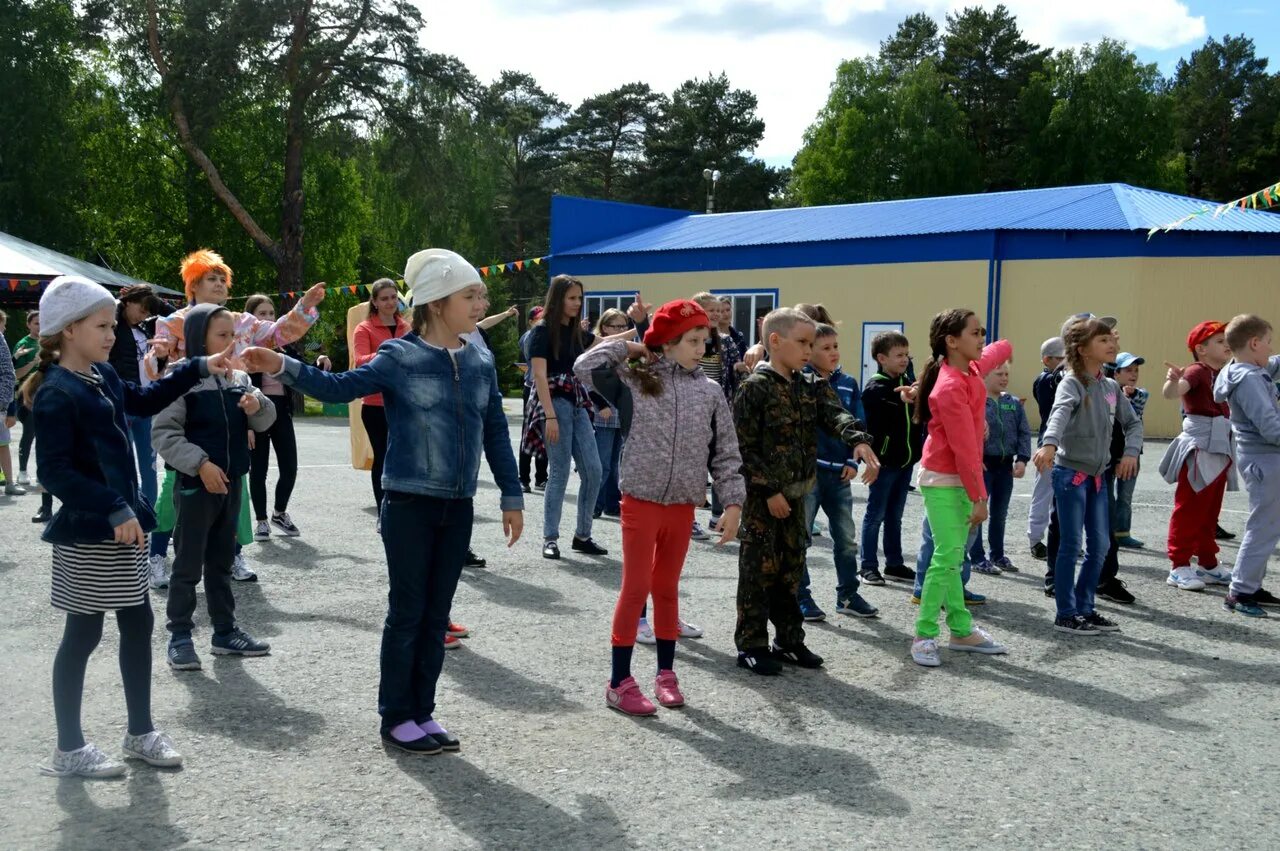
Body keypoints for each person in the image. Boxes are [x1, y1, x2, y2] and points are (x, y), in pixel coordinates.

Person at [241, 248, 524, 755]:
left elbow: (495, 431)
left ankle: (424, 711)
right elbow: (338, 385)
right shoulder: (400, 356)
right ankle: (397, 716)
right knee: (409, 612)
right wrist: (281, 364)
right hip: (409, 503)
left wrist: (510, 492)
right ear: (437, 303)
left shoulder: (480, 357)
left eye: (480, 294)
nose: (482, 301)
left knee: (437, 616)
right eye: (470, 294)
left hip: (456, 506)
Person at [23, 275, 236, 778]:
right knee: (83, 634)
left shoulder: (102, 377)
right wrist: (112, 506)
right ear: (69, 330)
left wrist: (198, 367)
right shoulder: (57, 392)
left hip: (124, 528)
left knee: (138, 623)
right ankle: (68, 748)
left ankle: (140, 733)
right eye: (101, 326)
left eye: (112, 325)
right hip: (90, 530)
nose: (112, 335)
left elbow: (143, 401)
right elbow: (54, 473)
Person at [575, 299, 745, 715]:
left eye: (704, 341)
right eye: (691, 340)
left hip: (682, 504)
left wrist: (734, 502)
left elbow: (726, 452)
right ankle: (619, 682)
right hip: (640, 500)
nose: (701, 348)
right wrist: (632, 344)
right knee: (635, 588)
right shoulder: (635, 380)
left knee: (667, 590)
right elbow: (584, 365)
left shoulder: (709, 392)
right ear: (667, 343)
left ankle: (666, 674)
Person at [148, 249, 326, 585]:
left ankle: (233, 556)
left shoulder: (240, 322)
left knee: (234, 491)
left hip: (231, 414)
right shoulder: (173, 321)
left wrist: (304, 308)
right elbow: (156, 369)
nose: (217, 284)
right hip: (188, 416)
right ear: (192, 286)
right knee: (175, 491)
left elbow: (278, 334)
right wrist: (157, 355)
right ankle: (157, 556)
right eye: (209, 278)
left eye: (221, 279)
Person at [733, 308, 880, 676]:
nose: (808, 350)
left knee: (790, 572)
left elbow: (837, 415)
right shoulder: (755, 387)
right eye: (802, 342)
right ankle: (751, 645)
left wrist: (859, 442)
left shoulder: (810, 385)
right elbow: (742, 448)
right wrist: (767, 491)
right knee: (758, 574)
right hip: (764, 501)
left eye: (812, 343)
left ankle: (789, 641)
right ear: (775, 341)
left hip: (798, 496)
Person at [152, 304, 277, 671]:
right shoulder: (180, 378)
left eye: (233, 336)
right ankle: (179, 635)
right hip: (195, 485)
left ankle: (224, 632)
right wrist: (200, 464)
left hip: (231, 484)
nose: (231, 344)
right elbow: (164, 433)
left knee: (221, 562)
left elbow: (265, 419)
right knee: (188, 564)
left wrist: (258, 405)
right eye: (222, 336)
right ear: (197, 339)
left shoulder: (238, 377)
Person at [909, 309, 1010, 668]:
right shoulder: (950, 386)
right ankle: (924, 634)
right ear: (952, 341)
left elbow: (1002, 347)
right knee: (948, 556)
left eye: (982, 332)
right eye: (974, 333)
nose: (981, 338)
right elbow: (966, 452)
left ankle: (961, 629)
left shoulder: (971, 370)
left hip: (957, 479)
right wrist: (980, 498)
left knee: (951, 557)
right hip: (944, 481)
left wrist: (1002, 343)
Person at [1033, 317, 1141, 635]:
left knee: (1101, 545)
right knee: (1070, 544)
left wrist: (1131, 453)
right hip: (1071, 476)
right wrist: (1050, 444)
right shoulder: (1072, 383)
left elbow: (1132, 423)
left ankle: (1086, 607)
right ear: (1082, 350)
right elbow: (1060, 413)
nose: (1112, 344)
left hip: (1098, 477)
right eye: (1103, 340)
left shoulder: (1109, 387)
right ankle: (1066, 613)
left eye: (1112, 338)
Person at [795, 323, 878, 621]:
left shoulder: (848, 383)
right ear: (808, 351)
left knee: (846, 539)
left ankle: (848, 594)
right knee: (800, 539)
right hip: (809, 477)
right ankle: (801, 597)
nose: (833, 353)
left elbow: (857, 423)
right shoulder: (800, 382)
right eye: (825, 348)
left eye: (835, 347)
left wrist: (852, 462)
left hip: (839, 476)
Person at [528, 275, 610, 560]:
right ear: (558, 298)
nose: (577, 303)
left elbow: (608, 342)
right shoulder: (541, 332)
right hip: (554, 405)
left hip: (577, 403)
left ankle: (582, 536)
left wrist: (639, 328)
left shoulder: (577, 333)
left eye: (579, 298)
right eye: (572, 297)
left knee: (594, 469)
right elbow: (539, 376)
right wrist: (549, 417)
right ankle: (550, 538)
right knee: (560, 471)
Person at [245, 294, 332, 540]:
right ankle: (261, 521)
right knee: (258, 470)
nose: (268, 318)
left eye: (271, 314)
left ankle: (279, 513)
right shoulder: (245, 347)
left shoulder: (285, 346)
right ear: (250, 317)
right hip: (256, 412)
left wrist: (319, 361)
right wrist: (246, 424)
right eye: (262, 314)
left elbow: (303, 370)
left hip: (281, 410)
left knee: (290, 467)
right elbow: (237, 387)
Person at [1158, 321, 1236, 592]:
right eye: (1219, 340)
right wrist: (1171, 381)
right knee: (1190, 507)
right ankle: (1178, 565)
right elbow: (1174, 392)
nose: (1226, 344)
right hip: (1200, 446)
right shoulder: (1197, 370)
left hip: (1220, 445)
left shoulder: (1223, 372)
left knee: (1210, 511)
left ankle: (1208, 564)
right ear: (1200, 349)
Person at [1215, 314, 1280, 616]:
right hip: (1265, 461)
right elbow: (1270, 427)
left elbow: (1272, 365)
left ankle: (1250, 585)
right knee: (1263, 527)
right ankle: (1241, 591)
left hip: (1260, 459)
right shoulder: (1250, 379)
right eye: (1268, 342)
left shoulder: (1239, 369)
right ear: (1254, 344)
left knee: (1267, 525)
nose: (1270, 348)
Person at [860, 330, 920, 584]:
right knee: (875, 515)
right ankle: (867, 566)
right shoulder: (876, 388)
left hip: (905, 462)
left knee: (895, 515)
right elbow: (873, 425)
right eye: (899, 355)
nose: (904, 359)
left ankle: (894, 563)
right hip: (884, 464)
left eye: (906, 354)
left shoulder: (908, 380)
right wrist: (904, 396)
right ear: (881, 358)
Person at [106, 285, 174, 510]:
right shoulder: (113, 326)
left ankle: (148, 519)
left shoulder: (146, 330)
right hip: (121, 404)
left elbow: (171, 315)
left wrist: (163, 359)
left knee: (150, 467)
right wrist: (125, 298)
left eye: (148, 311)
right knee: (122, 464)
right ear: (126, 302)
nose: (143, 315)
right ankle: (122, 514)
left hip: (145, 405)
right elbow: (113, 308)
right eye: (141, 309)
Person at [351, 278, 409, 517]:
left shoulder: (406, 327)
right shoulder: (364, 328)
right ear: (374, 301)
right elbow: (360, 359)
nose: (390, 302)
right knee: (383, 456)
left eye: (394, 297)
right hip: (375, 404)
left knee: (405, 456)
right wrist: (390, 351)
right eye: (384, 298)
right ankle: (383, 510)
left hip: (405, 402)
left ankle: (402, 508)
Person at [968, 362, 1032, 574]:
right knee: (978, 513)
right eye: (999, 374)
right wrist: (974, 457)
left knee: (1000, 514)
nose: (1004, 378)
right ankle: (977, 557)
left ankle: (997, 555)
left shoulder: (1012, 402)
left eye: (1006, 374)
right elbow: (968, 431)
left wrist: (1022, 459)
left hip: (1005, 467)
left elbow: (1024, 432)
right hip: (984, 466)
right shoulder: (977, 402)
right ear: (984, 376)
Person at [1027, 337, 1066, 560]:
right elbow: (1054, 385)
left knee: (1065, 497)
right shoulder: (1045, 380)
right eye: (1060, 359)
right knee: (1043, 494)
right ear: (1047, 359)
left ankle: (1060, 538)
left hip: (1068, 446)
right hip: (1048, 445)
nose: (1065, 363)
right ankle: (1035, 539)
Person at [590, 309, 630, 519]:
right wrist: (599, 404)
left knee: (615, 464)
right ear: (605, 327)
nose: (621, 330)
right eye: (616, 326)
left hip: (619, 412)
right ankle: (594, 503)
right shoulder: (598, 348)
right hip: (603, 412)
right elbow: (586, 378)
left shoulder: (623, 349)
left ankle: (611, 503)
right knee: (602, 463)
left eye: (624, 326)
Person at [1109, 352, 1149, 550]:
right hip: (1110, 452)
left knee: (1125, 496)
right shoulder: (1106, 392)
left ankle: (1123, 533)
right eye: (1128, 370)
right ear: (1115, 374)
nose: (1133, 374)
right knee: (1106, 495)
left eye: (1136, 371)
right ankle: (1106, 531)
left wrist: (1130, 395)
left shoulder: (1140, 394)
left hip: (1132, 454)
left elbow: (1137, 407)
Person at [13, 310, 49, 519]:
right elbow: (16, 373)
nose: (39, 326)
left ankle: (43, 478)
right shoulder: (23, 344)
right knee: (29, 433)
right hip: (26, 394)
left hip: (45, 393)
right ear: (29, 325)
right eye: (36, 323)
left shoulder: (49, 342)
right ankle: (23, 471)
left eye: (41, 323)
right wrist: (33, 362)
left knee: (44, 437)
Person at [518, 306, 549, 493]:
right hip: (531, 389)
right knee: (528, 432)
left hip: (545, 388)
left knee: (544, 433)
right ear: (531, 321)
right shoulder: (529, 336)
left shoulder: (547, 334)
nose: (544, 321)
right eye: (539, 318)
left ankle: (541, 478)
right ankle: (523, 478)